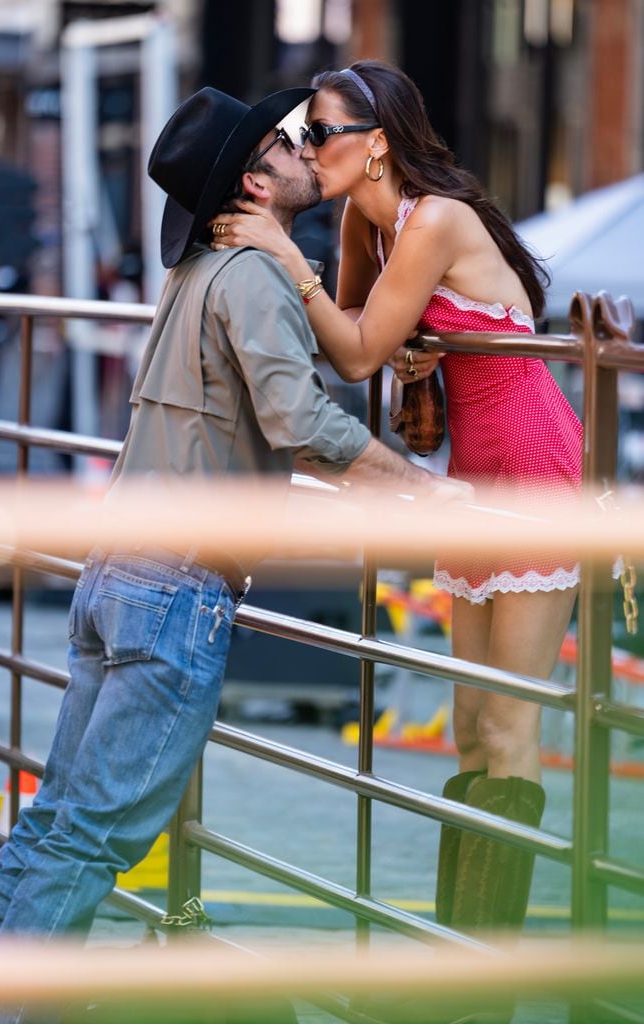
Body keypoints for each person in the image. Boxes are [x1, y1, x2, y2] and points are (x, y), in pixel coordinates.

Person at [0, 84, 471, 1023]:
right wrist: (419, 489)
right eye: (288, 143)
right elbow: (300, 418)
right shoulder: (250, 278)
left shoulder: (199, 271)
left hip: (119, 571)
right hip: (175, 586)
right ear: (254, 177)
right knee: (86, 837)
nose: (305, 150)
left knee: (57, 824)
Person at [209, 60, 583, 949]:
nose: (306, 150)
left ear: (376, 144)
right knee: (464, 724)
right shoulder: (360, 228)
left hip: (531, 464)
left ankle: (485, 974)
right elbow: (351, 345)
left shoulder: (435, 220)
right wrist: (391, 333)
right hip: (471, 470)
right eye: (302, 135)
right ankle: (460, 949)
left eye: (321, 133)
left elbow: (357, 347)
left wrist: (279, 255)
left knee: (506, 721)